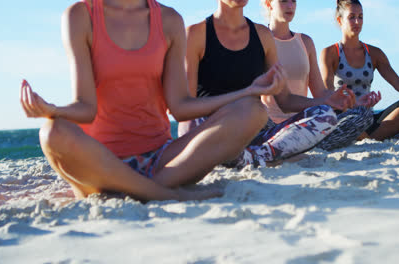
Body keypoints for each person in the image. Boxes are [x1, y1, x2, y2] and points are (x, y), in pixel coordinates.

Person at [19, 0, 288, 202]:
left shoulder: (169, 20)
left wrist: (246, 91)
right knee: (52, 132)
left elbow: (180, 107)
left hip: (162, 161)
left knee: (253, 109)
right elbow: (85, 108)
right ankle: (162, 194)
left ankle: (144, 188)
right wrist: (52, 109)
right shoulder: (81, 16)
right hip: (100, 163)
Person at [180, 0, 356, 168]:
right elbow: (185, 107)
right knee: (197, 123)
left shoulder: (262, 36)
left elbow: (285, 100)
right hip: (215, 129)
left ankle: (252, 156)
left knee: (325, 115)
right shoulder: (196, 34)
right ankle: (251, 156)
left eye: (293, 1)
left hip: (254, 130)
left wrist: (328, 101)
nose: (290, 5)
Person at [261, 0, 381, 151]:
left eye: (293, 1)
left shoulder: (305, 42)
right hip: (269, 127)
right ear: (268, 3)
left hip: (302, 125)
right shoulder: (260, 39)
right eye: (284, 1)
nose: (290, 6)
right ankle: (288, 146)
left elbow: (321, 93)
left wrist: (354, 102)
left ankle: (297, 146)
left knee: (364, 114)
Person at [321, 0, 399, 141]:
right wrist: (349, 104)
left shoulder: (374, 53)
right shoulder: (330, 53)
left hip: (367, 119)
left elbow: (397, 82)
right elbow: (327, 91)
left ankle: (365, 137)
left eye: (360, 17)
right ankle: (368, 136)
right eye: (352, 17)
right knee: (335, 113)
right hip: (343, 116)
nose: (357, 22)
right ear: (340, 21)